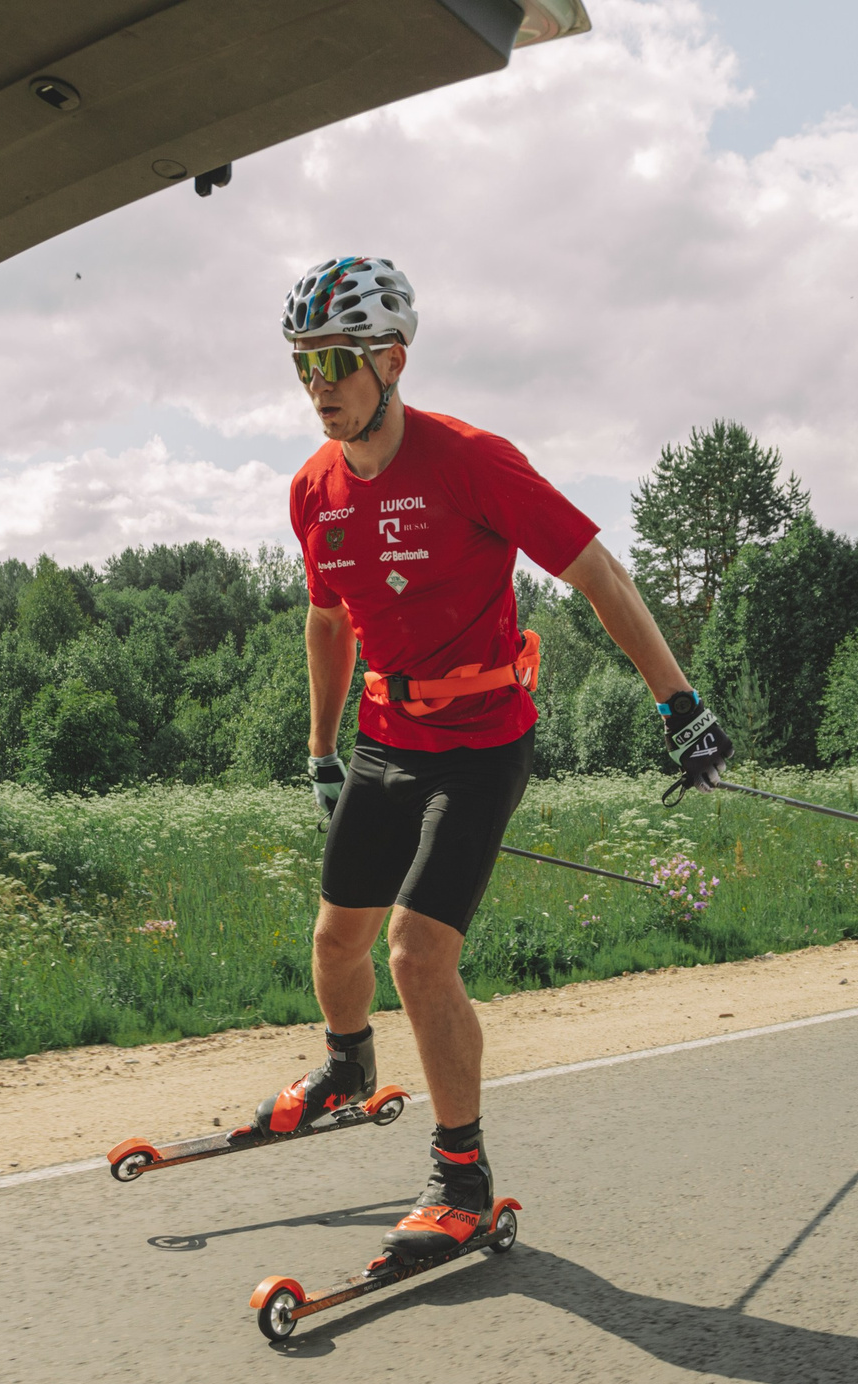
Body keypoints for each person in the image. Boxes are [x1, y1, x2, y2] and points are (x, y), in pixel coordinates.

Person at [260, 257, 732, 1274]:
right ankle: (347, 1070)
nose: (318, 385)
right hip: (387, 739)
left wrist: (679, 703)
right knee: (337, 942)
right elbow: (327, 620)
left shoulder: (472, 461)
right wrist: (321, 751)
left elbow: (597, 570)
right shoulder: (313, 492)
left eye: (335, 361)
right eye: (301, 366)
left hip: (481, 739)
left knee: (415, 955)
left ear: (390, 358)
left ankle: (461, 1181)